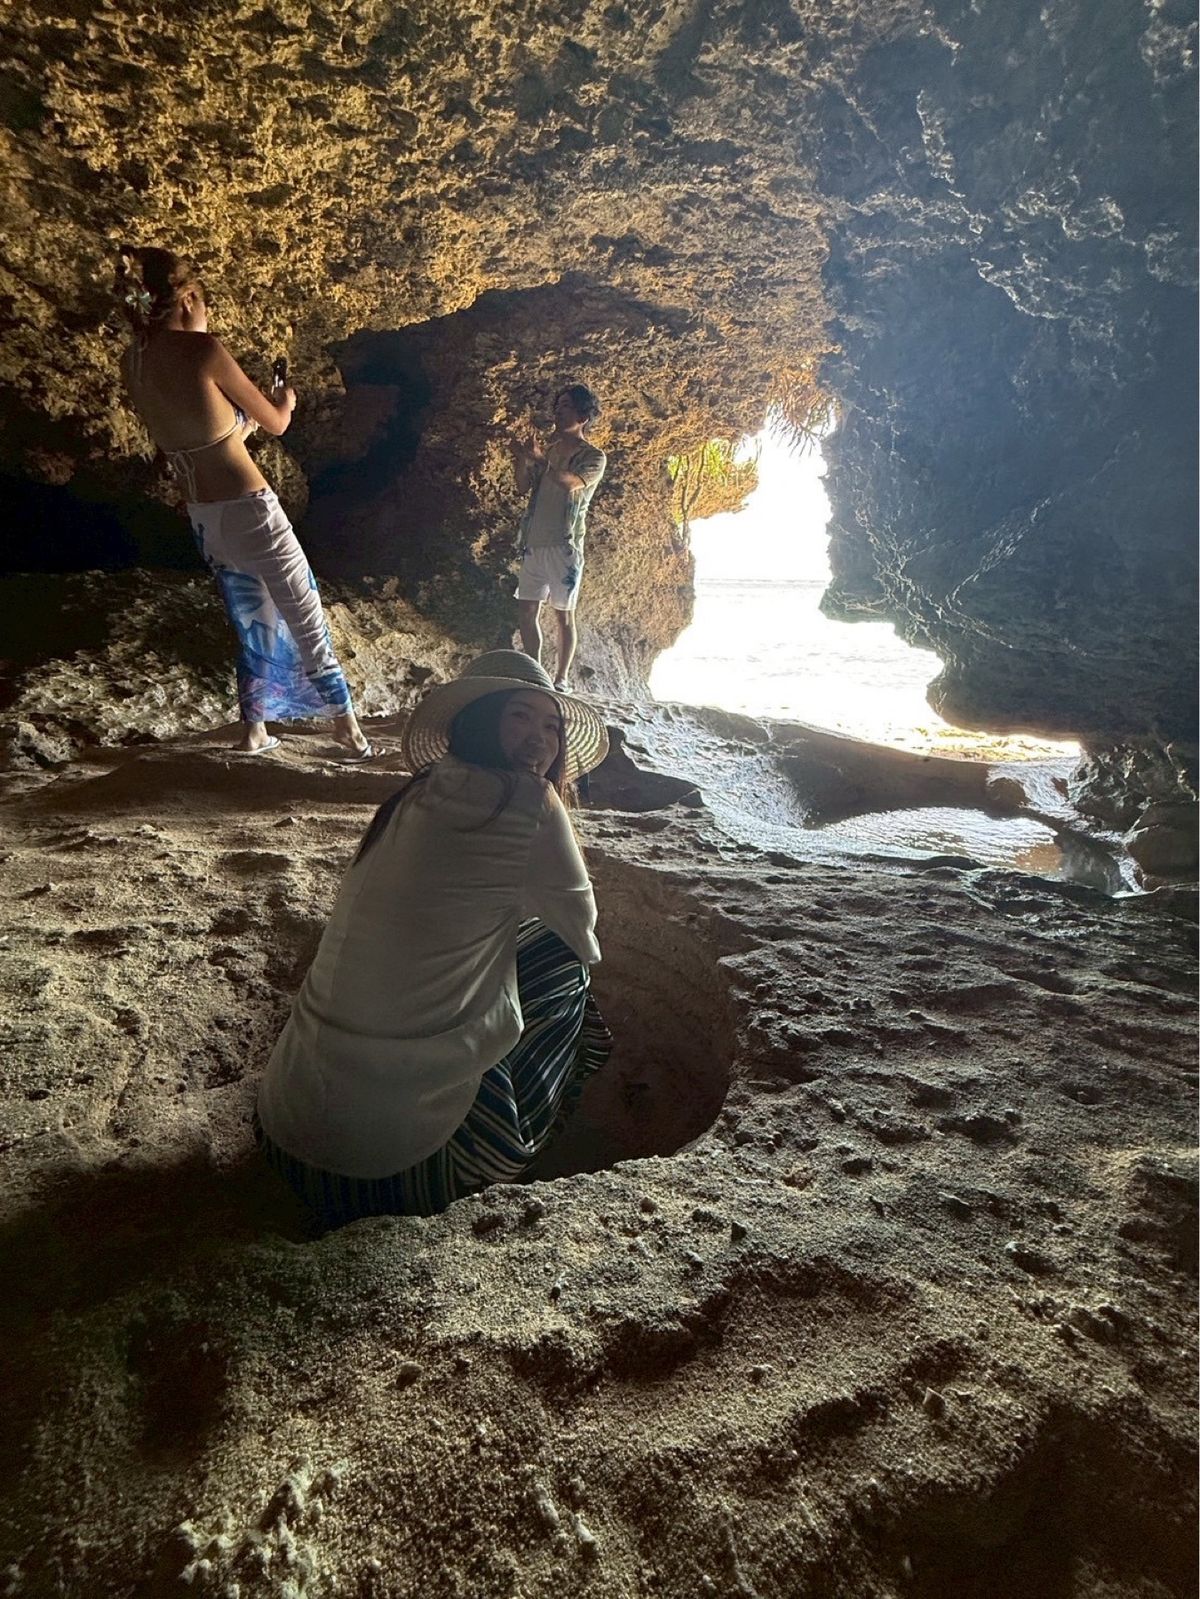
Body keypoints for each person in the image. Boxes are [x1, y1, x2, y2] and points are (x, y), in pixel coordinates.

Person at [255, 650, 613, 1223]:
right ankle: (519, 1141)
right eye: (520, 717)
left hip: (288, 1133)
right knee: (560, 962)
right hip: (400, 1169)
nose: (539, 738)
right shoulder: (532, 802)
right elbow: (583, 933)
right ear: (480, 719)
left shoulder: (414, 794)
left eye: (552, 726)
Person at [116, 245, 372, 760]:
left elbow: (205, 436)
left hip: (206, 517)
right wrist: (283, 405)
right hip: (251, 507)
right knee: (303, 611)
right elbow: (277, 425)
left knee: (253, 617)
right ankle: (346, 726)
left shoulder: (134, 361)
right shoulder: (204, 350)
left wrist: (243, 424)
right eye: (203, 304)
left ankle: (254, 730)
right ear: (188, 299)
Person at [509, 383, 606, 693]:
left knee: (563, 615)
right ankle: (534, 672)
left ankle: (562, 679)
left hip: (565, 546)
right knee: (527, 610)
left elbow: (569, 483)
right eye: (558, 405)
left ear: (583, 414)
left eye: (565, 406)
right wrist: (521, 459)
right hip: (534, 542)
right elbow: (524, 488)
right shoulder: (548, 452)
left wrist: (539, 460)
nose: (558, 411)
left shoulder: (593, 456)